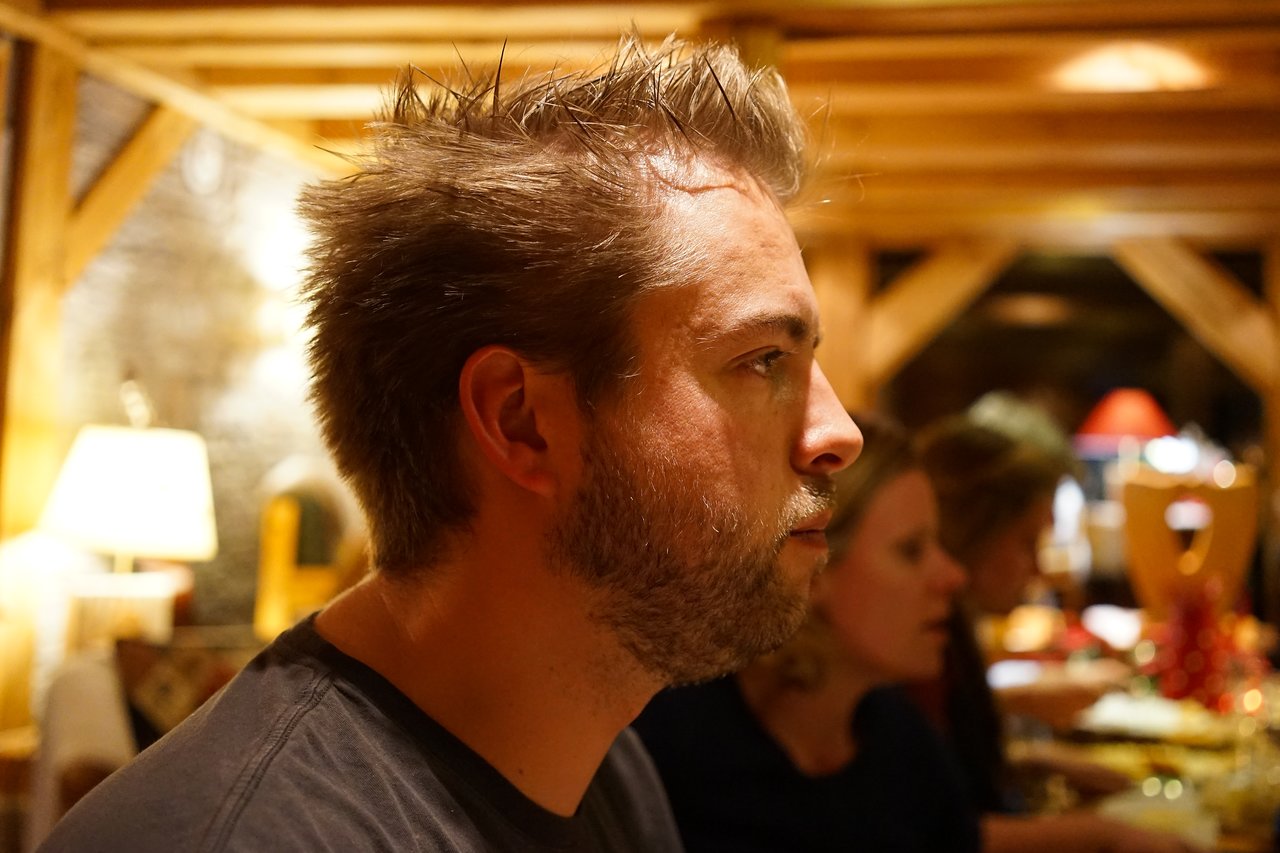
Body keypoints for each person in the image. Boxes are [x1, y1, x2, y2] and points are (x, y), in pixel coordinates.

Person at [39, 34, 861, 852]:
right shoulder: (245, 836)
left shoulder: (600, 763)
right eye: (762, 361)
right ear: (519, 420)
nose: (839, 433)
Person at [634, 413, 979, 852]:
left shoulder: (902, 742)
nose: (952, 576)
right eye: (911, 550)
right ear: (814, 561)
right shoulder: (671, 747)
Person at [918, 415, 1206, 853]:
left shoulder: (951, 631)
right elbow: (930, 832)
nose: (1038, 567)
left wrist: (1031, 762)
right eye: (1027, 541)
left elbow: (941, 778)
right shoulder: (916, 643)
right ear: (971, 529)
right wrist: (1105, 836)